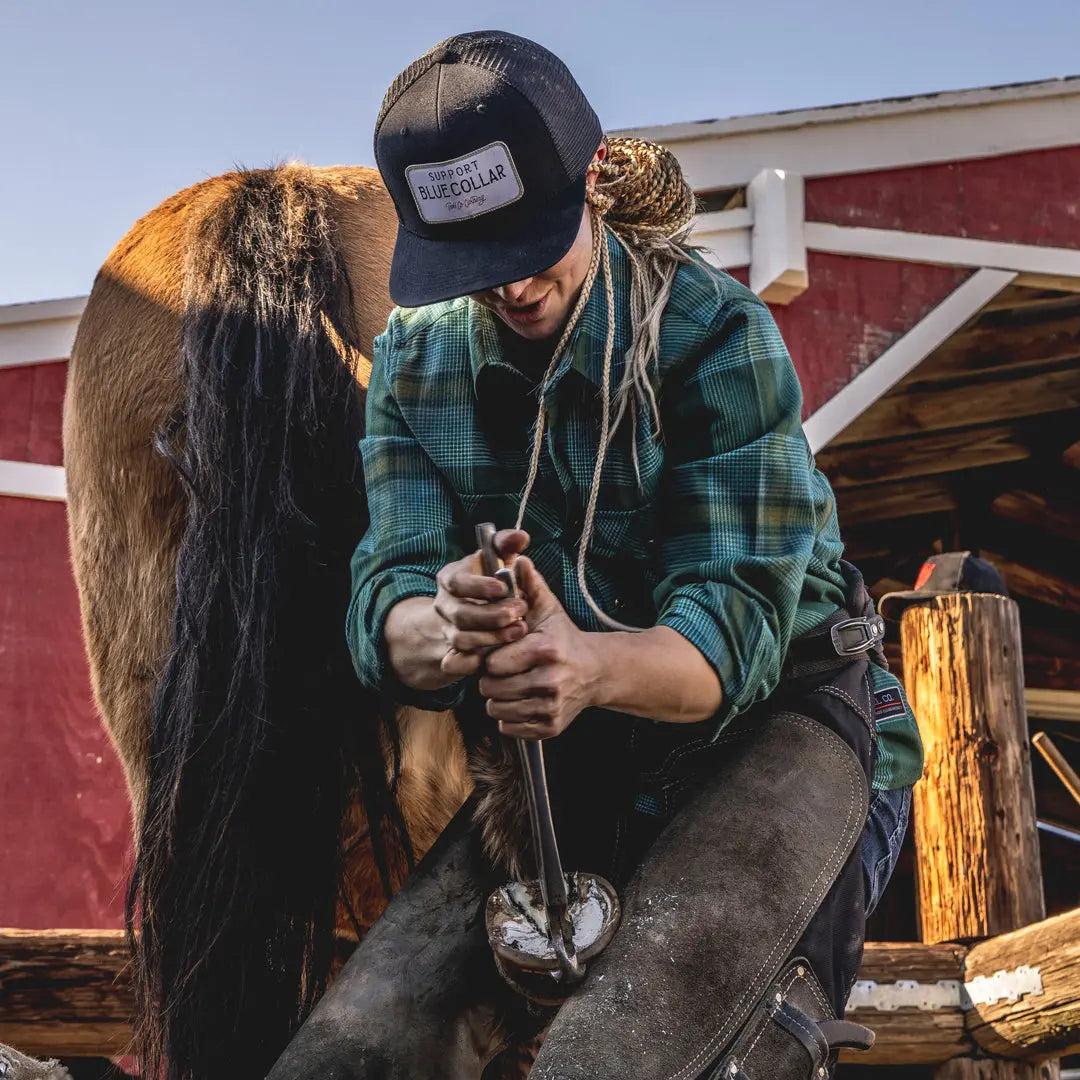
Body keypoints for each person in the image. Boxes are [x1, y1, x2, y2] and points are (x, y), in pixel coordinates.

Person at [268, 29, 923, 1080]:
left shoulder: (718, 337)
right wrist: (446, 625)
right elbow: (385, 605)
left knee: (629, 1059)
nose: (513, 288)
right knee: (346, 1058)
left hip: (777, 719)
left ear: (590, 180)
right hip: (579, 755)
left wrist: (585, 664)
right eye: (479, 267)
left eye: (534, 246)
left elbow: (733, 636)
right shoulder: (415, 362)